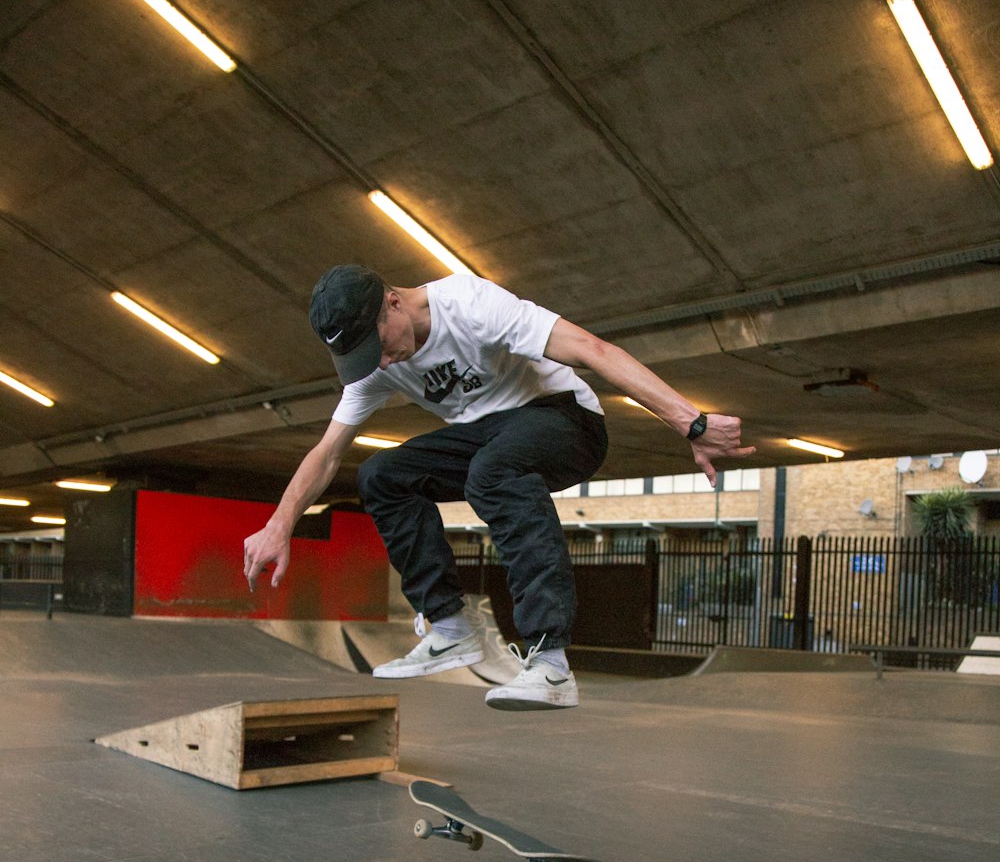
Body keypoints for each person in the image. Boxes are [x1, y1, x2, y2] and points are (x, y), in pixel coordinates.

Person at [243, 264, 753, 710]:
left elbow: (592, 349)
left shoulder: (470, 305)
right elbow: (328, 452)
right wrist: (278, 525)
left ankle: (550, 662)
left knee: (492, 472)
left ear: (393, 303)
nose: (379, 363)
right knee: (381, 475)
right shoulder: (375, 367)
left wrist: (690, 422)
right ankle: (449, 626)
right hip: (486, 436)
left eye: (378, 346)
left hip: (564, 419)